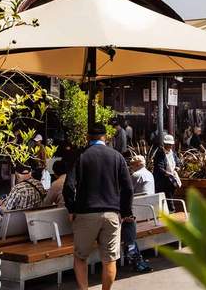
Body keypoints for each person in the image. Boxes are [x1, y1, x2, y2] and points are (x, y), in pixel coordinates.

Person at [63, 123, 133, 290]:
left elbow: (68, 186)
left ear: (88, 137)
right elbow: (128, 188)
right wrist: (125, 212)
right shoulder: (117, 157)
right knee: (109, 260)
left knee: (80, 257)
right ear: (105, 137)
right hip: (111, 213)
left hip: (86, 213)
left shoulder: (81, 156)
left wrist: (71, 208)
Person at [122, 155, 154, 273]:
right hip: (149, 210)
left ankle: (134, 257)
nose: (130, 167)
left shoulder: (136, 175)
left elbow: (128, 191)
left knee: (128, 224)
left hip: (139, 208)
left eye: (132, 165)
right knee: (128, 224)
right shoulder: (149, 174)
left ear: (137, 165)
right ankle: (135, 258)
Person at [153, 134, 181, 212]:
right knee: (167, 196)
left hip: (171, 178)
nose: (170, 146)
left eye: (171, 144)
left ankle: (171, 210)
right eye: (168, 144)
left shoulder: (172, 152)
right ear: (164, 144)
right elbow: (159, 167)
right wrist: (166, 173)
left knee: (170, 195)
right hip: (163, 180)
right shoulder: (160, 153)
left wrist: (177, 167)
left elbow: (178, 162)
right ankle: (171, 210)